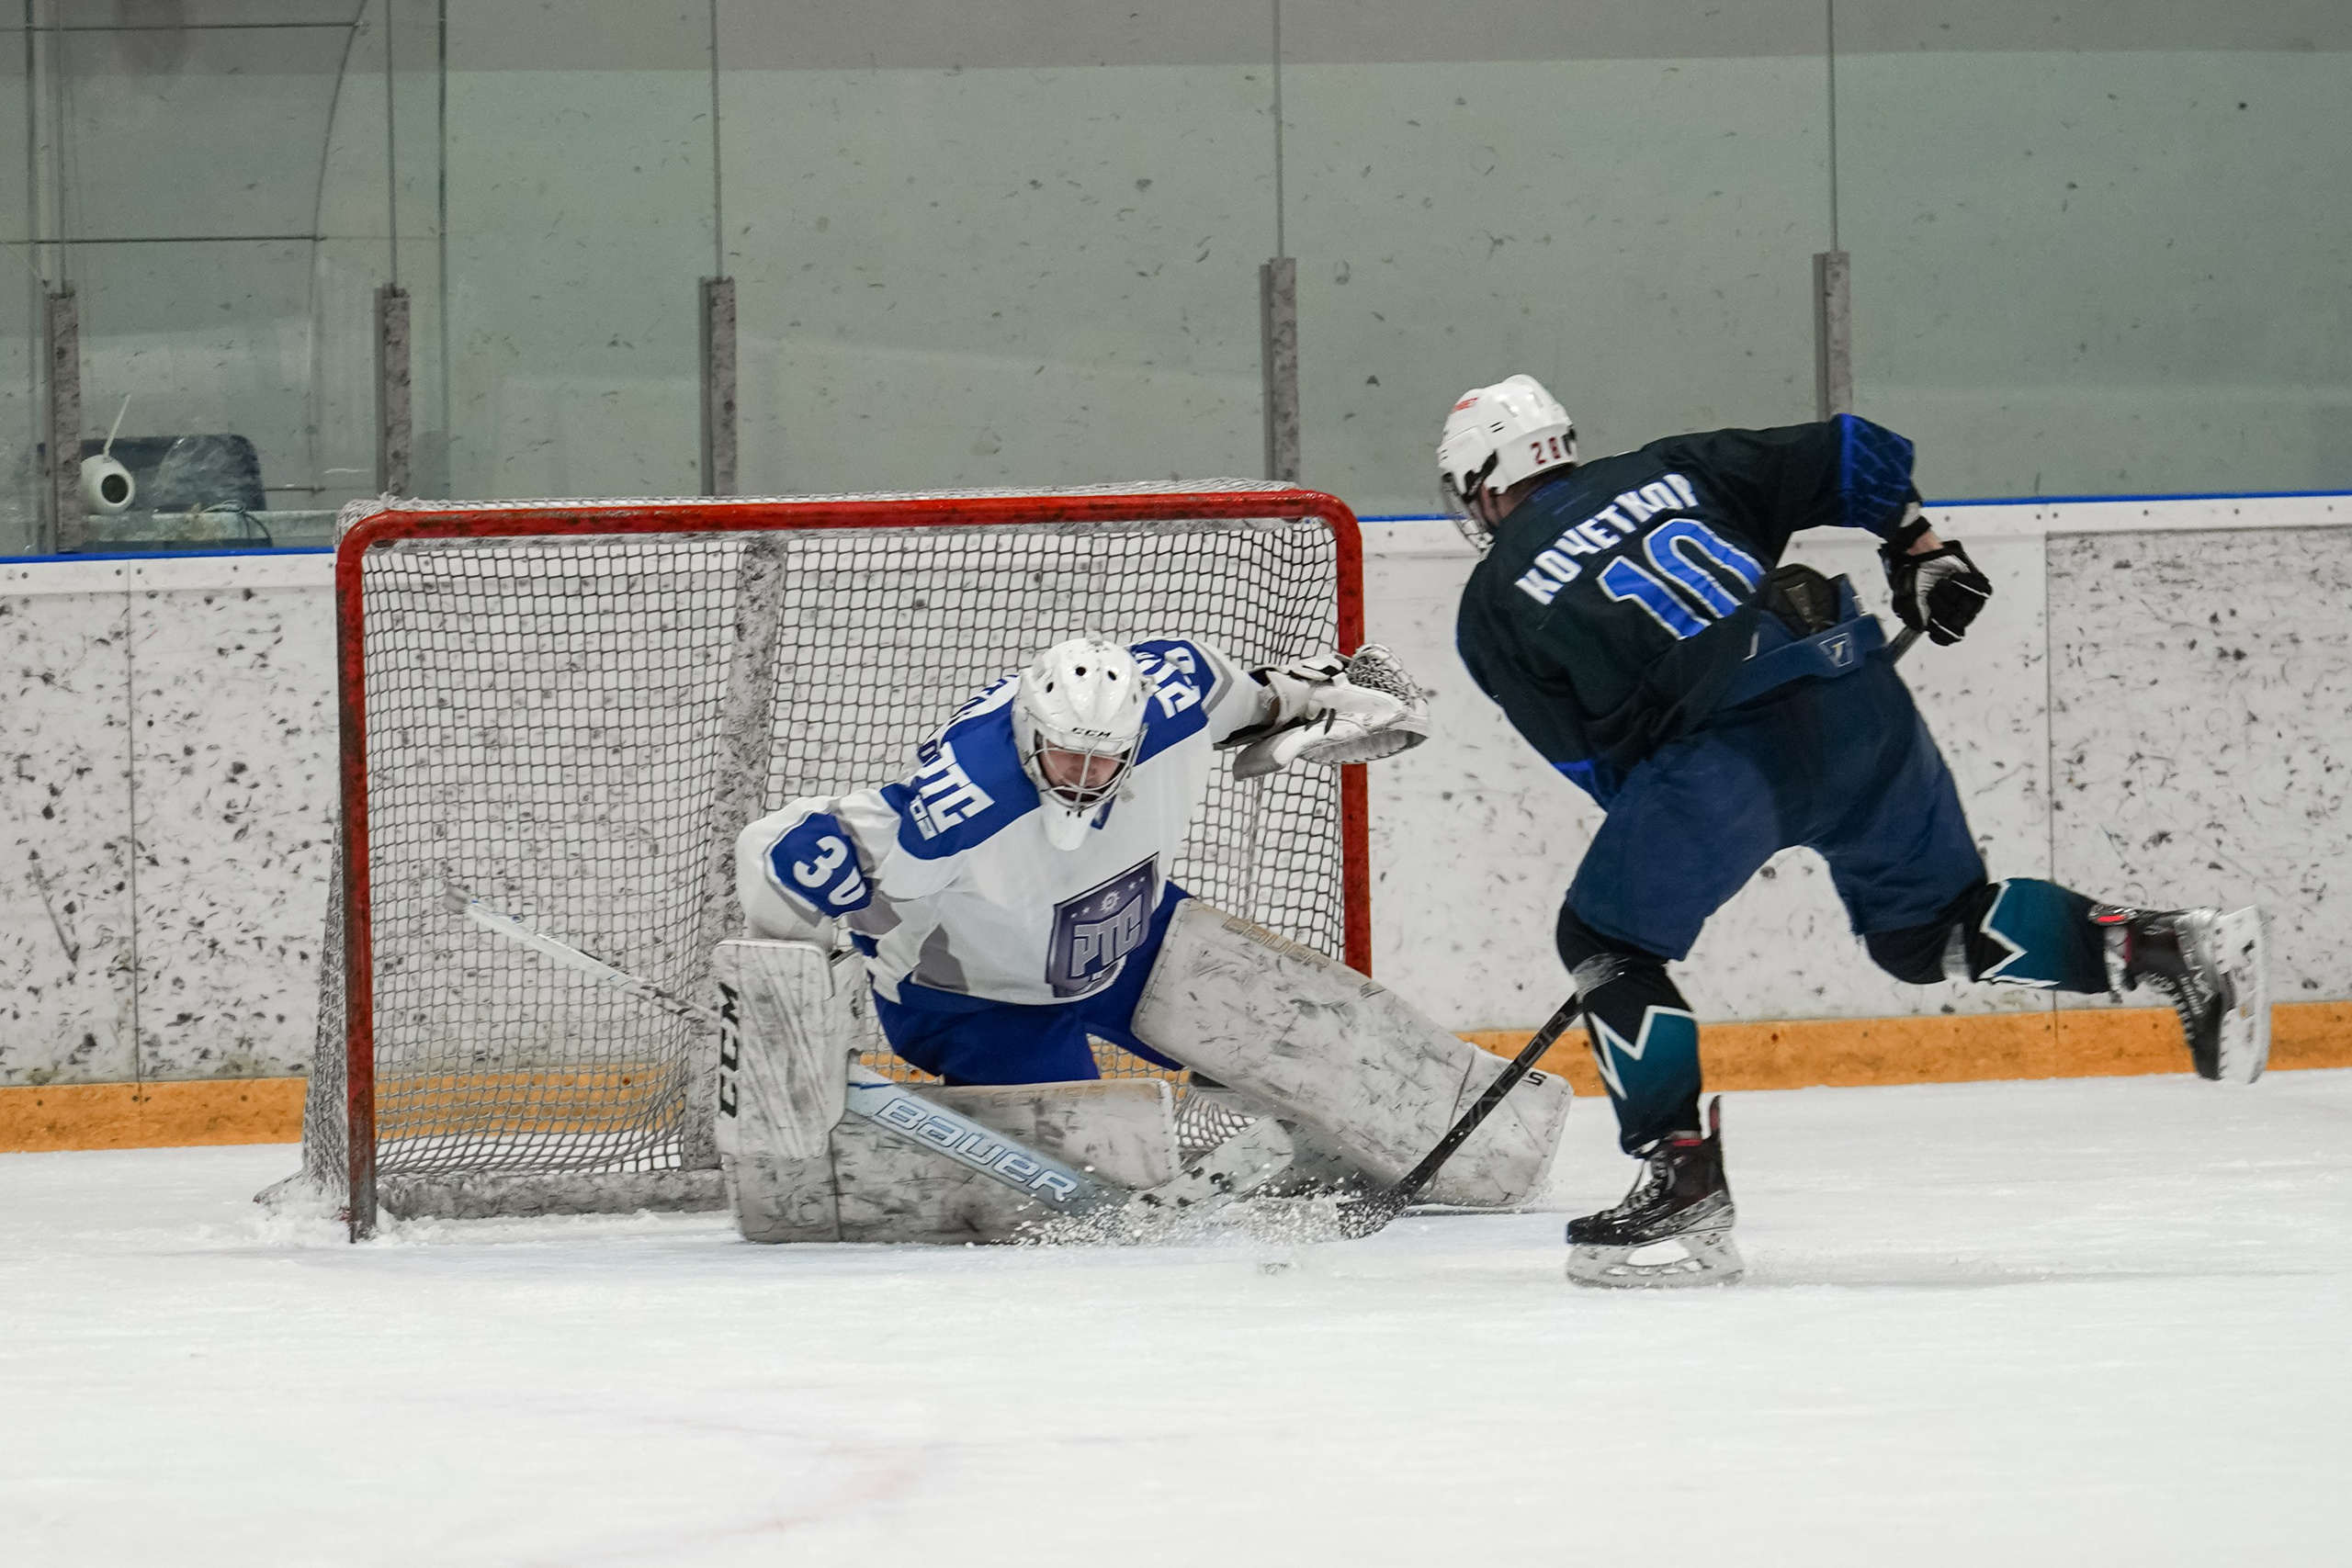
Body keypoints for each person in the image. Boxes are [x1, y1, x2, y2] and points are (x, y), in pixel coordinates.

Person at [1438, 375, 2268, 1288]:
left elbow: (1594, 766)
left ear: (1483, 483)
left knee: (1605, 939)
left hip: (1726, 753)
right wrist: (1921, 549)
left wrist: (1693, 831)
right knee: (1932, 928)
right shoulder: (1672, 468)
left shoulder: (1492, 602)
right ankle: (2170, 948)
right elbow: (1856, 452)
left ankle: (1682, 1184)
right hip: (1853, 690)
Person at [735, 633, 1423, 1086]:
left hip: (1130, 936)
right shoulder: (958, 804)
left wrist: (1316, 698)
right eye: (1068, 753)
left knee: (1310, 1049)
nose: (1085, 775)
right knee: (1092, 1175)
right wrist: (802, 990)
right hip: (975, 1002)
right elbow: (773, 852)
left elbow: (1261, 699)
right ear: (1030, 729)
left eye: (1107, 759)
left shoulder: (1180, 694)